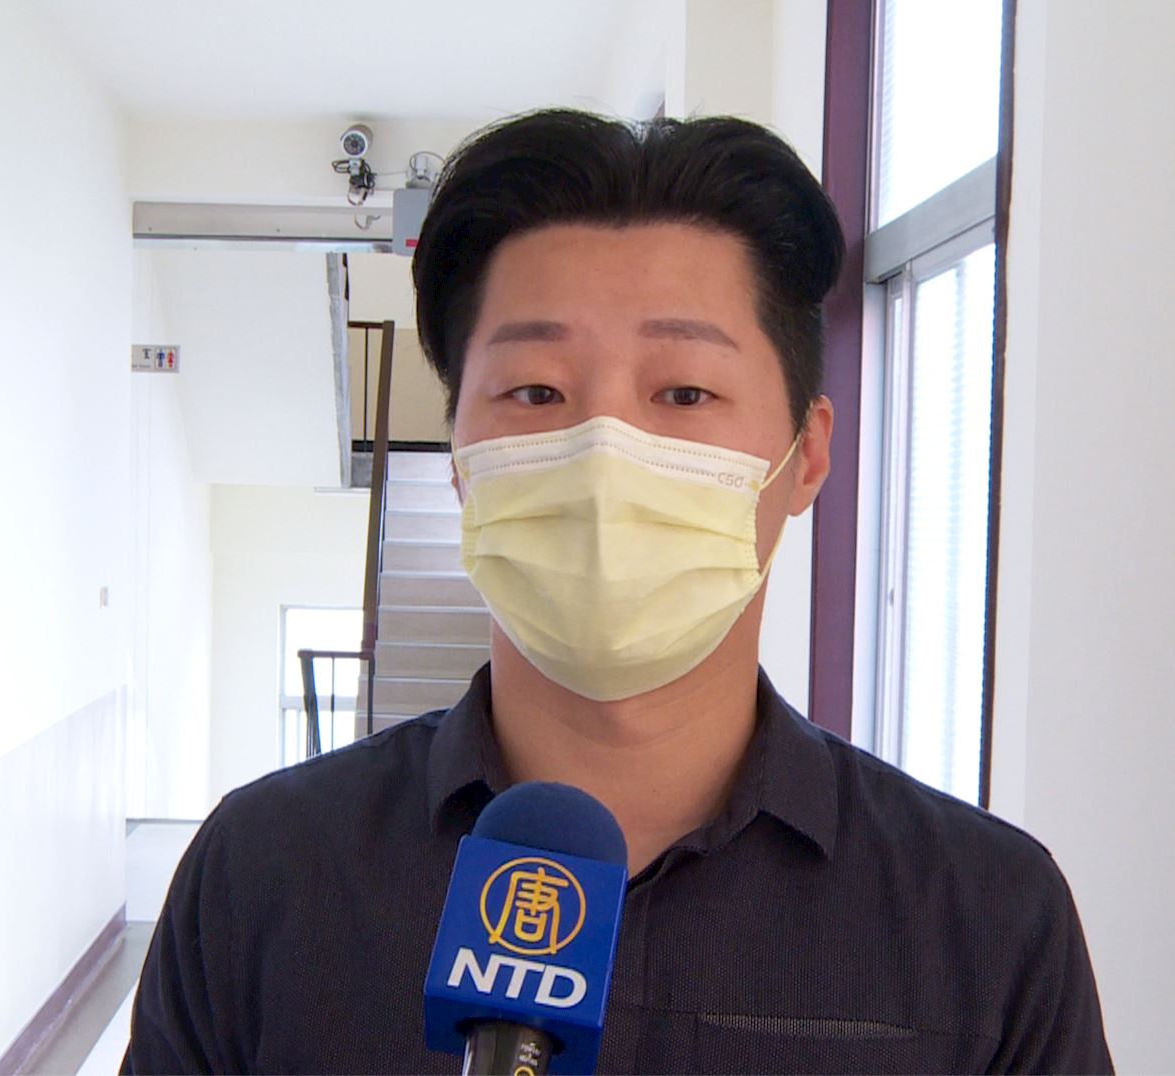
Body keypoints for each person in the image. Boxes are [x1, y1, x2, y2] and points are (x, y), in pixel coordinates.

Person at [121, 109, 1111, 1074]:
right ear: (461, 458)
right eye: (535, 392)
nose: (604, 453)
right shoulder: (263, 873)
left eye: (684, 392)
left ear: (806, 453)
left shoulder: (987, 920)